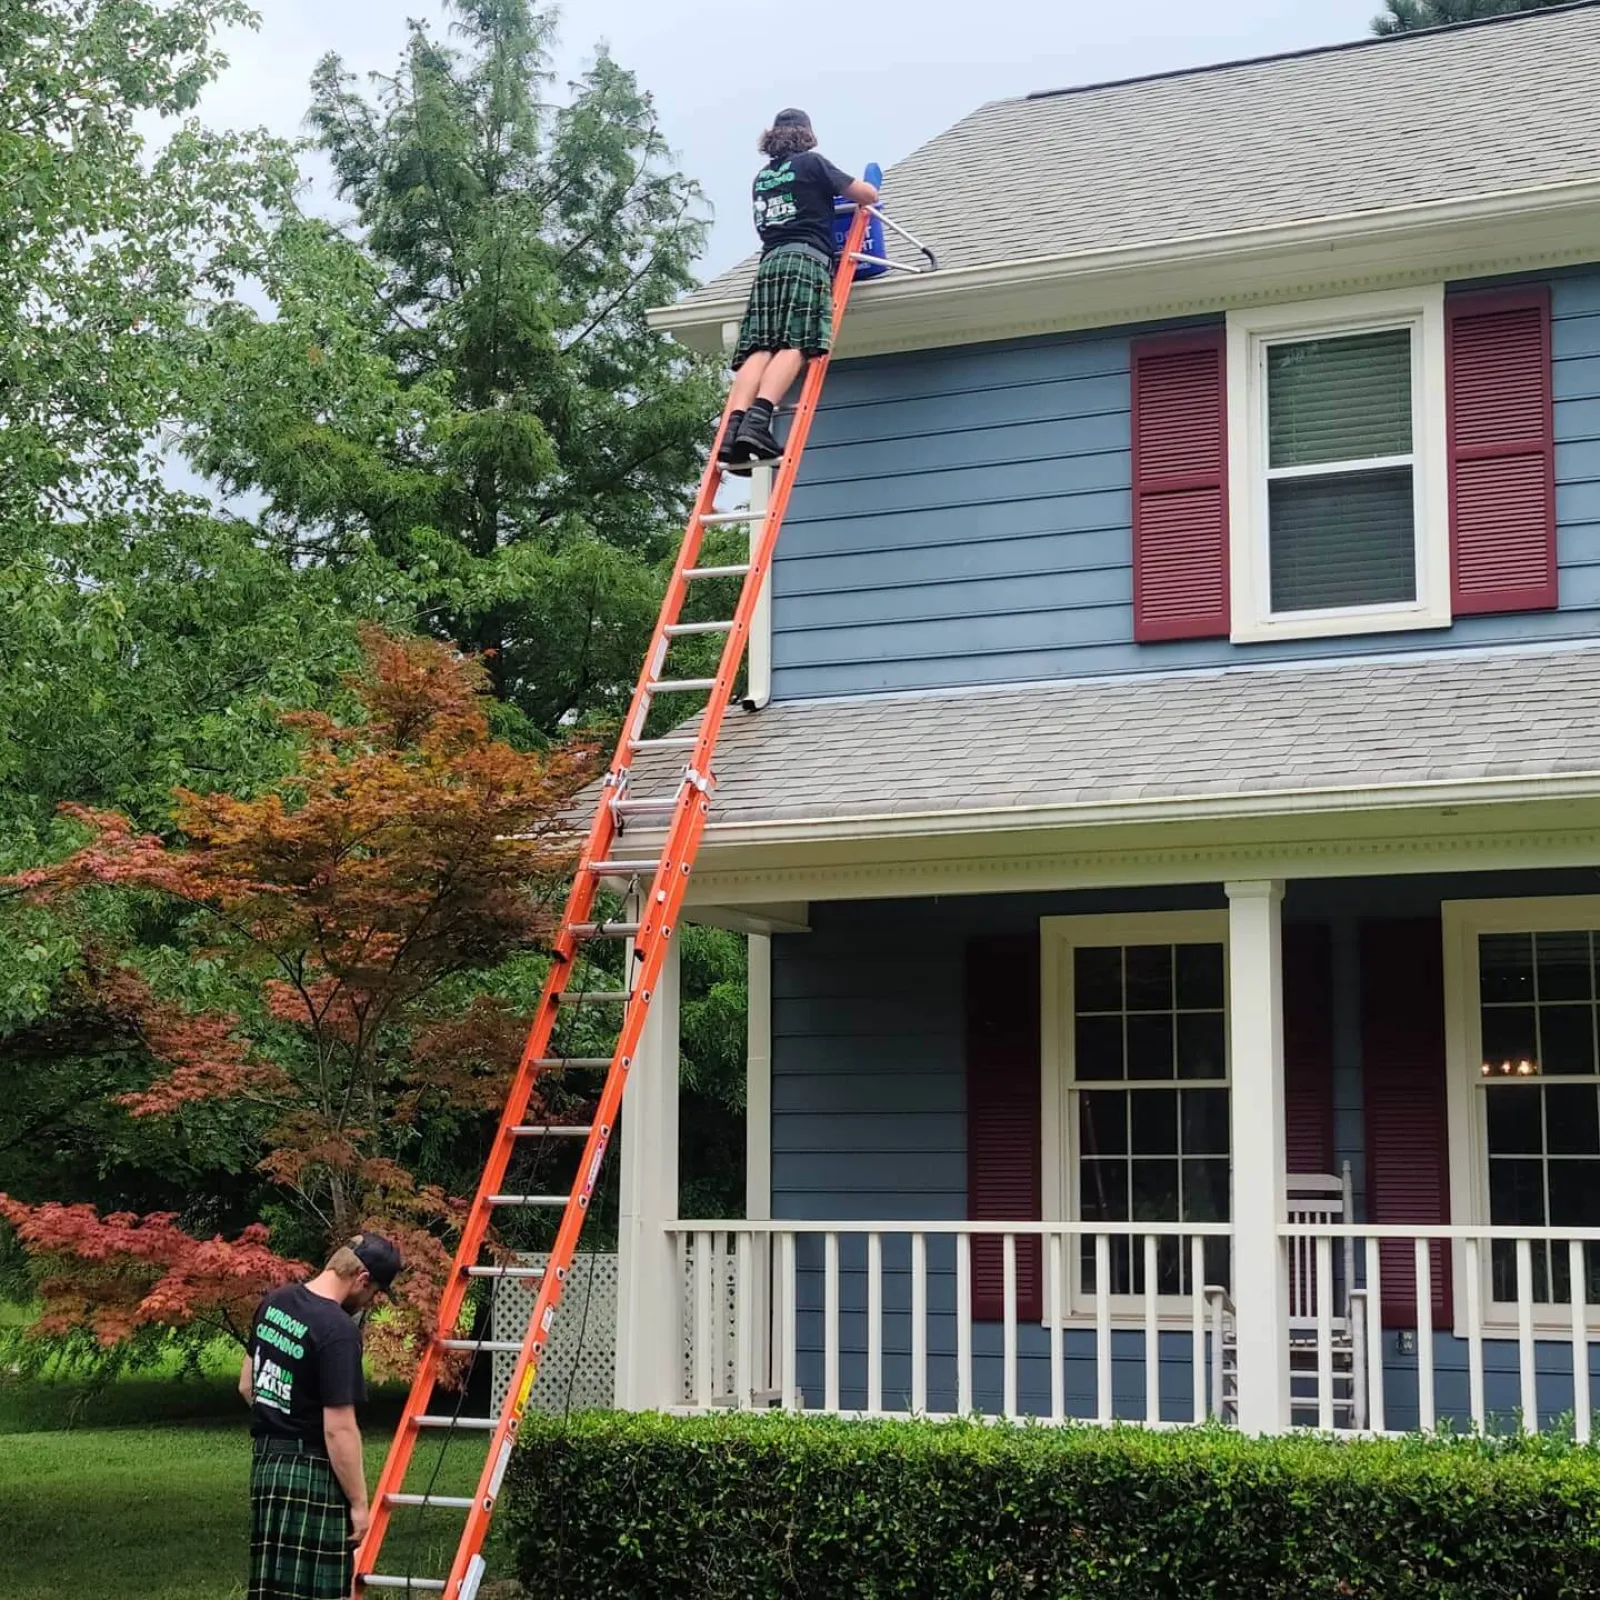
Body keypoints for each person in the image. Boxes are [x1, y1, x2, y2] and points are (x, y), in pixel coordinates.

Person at [239, 1232, 403, 1600]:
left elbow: (248, 1385)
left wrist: (283, 1415)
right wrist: (360, 1505)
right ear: (361, 1279)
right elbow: (339, 1429)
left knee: (274, 1591)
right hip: (311, 1471)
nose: (371, 1301)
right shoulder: (338, 1331)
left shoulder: (275, 1302)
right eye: (375, 1292)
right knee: (317, 1593)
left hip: (268, 1466)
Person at [719, 108, 879, 470]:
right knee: (796, 342)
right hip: (804, 260)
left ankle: (733, 429)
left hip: (769, 264)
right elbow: (864, 195)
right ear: (806, 134)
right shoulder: (812, 164)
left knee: (759, 348)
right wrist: (870, 183)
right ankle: (758, 421)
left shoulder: (762, 177)